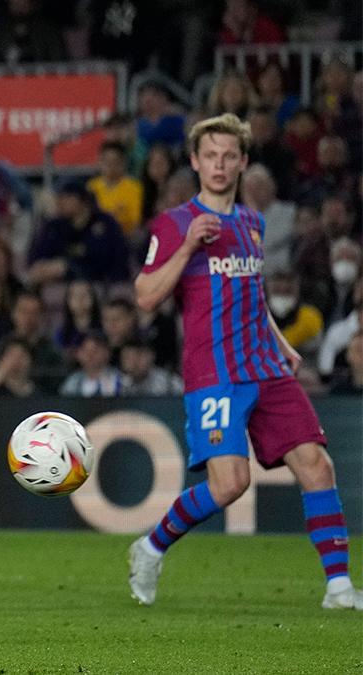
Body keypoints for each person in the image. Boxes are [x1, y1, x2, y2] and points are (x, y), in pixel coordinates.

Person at [128, 112, 361, 610]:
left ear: (243, 162)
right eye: (209, 155)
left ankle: (339, 587)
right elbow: (145, 296)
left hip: (266, 367)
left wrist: (279, 340)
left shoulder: (251, 223)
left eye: (228, 155)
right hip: (214, 373)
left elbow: (250, 291)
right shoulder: (174, 224)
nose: (218, 164)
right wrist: (190, 244)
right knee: (230, 484)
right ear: (194, 161)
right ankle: (151, 546)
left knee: (317, 466)